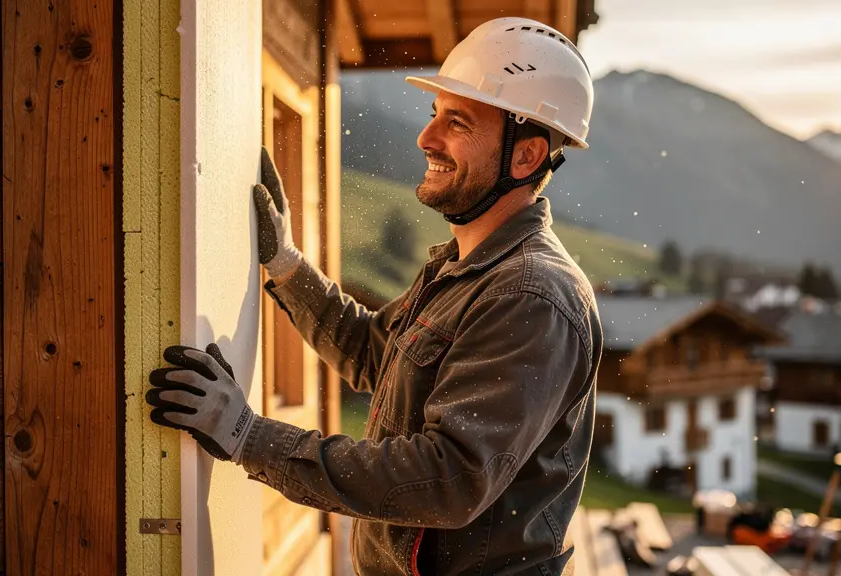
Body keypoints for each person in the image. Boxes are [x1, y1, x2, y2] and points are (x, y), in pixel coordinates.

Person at [146, 16, 602, 575]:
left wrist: (248, 435)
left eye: (457, 122)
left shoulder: (531, 295)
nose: (426, 138)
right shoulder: (467, 270)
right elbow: (375, 355)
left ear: (526, 157)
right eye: (435, 115)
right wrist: (287, 265)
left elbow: (447, 479)